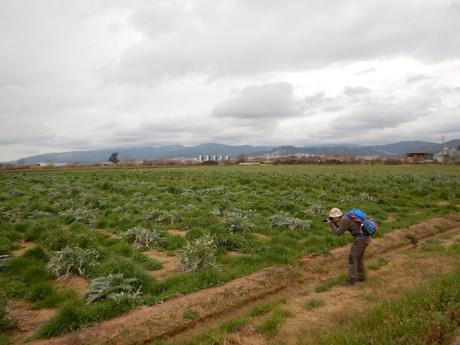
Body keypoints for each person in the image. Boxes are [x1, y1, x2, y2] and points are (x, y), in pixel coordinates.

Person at [326, 207, 371, 285]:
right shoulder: (347, 217)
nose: (332, 219)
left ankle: (350, 280)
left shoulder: (345, 220)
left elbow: (339, 233)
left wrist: (331, 223)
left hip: (360, 240)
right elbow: (341, 229)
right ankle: (361, 276)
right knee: (358, 258)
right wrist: (333, 223)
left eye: (332, 218)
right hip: (365, 238)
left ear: (337, 216)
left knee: (352, 258)